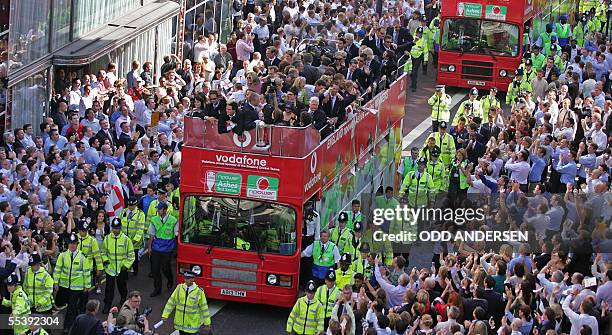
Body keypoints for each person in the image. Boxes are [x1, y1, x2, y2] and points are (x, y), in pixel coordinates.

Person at [54, 232, 92, 331]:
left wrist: (87, 286)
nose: (72, 245)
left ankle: (67, 327)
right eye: (70, 243)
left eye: (74, 243)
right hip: (65, 286)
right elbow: (57, 269)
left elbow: (86, 272)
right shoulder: (62, 256)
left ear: (77, 244)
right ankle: (76, 322)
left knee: (71, 307)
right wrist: (56, 282)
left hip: (77, 287)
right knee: (71, 306)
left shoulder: (82, 257)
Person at [162, 271, 211, 335]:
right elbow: (171, 302)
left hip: (192, 326)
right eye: (185, 278)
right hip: (181, 325)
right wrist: (165, 315)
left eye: (188, 278)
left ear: (193, 279)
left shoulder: (199, 292)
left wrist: (207, 322)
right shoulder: (179, 288)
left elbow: (204, 308)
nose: (185, 280)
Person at [102, 218, 135, 313]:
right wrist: (105, 260)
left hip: (122, 269)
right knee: (109, 289)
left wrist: (126, 265)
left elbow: (131, 255)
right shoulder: (107, 239)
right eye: (114, 228)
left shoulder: (126, 240)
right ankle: (107, 305)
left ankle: (123, 299)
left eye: (117, 228)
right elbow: (103, 252)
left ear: (120, 228)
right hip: (110, 269)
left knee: (122, 286)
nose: (115, 230)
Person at [148, 202, 178, 297]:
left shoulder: (173, 220)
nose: (158, 210)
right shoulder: (154, 220)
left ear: (165, 210)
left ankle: (170, 279)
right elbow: (152, 234)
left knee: (165, 268)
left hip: (168, 248)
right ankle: (157, 289)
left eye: (159, 209)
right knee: (155, 269)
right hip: (156, 247)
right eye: (157, 209)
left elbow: (177, 234)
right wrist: (149, 247)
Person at [120, 197, 146, 276]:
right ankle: (125, 274)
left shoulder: (140, 214)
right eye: (129, 205)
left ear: (135, 204)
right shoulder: (124, 212)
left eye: (132, 205)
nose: (130, 207)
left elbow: (140, 229)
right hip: (124, 241)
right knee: (124, 258)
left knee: (134, 258)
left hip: (135, 242)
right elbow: (120, 226)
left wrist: (133, 241)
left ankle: (135, 271)